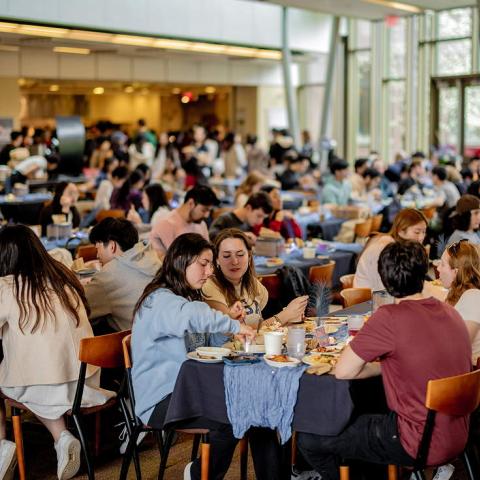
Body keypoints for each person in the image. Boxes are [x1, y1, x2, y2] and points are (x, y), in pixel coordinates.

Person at [297, 241, 472, 480]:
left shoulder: (389, 316)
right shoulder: (450, 312)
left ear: (384, 278)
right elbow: (413, 362)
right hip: (457, 432)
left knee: (311, 438)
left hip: (415, 440)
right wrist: (379, 367)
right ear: (425, 273)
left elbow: (343, 372)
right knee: (367, 410)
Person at [131, 233, 282, 480]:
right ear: (181, 260)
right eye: (203, 263)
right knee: (234, 416)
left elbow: (206, 344)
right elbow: (192, 315)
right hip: (162, 400)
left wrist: (229, 325)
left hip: (194, 388)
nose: (210, 270)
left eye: (211, 264)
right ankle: (202, 473)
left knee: (260, 408)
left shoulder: (187, 297)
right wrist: (233, 327)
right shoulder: (159, 300)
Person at [0, 225, 114, 480]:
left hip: (41, 384)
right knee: (42, 378)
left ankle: (1, 445)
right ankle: (61, 437)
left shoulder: (7, 287)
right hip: (87, 383)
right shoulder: (64, 278)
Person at [203, 228, 308, 329]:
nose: (234, 261)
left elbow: (261, 326)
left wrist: (290, 320)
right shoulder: (210, 287)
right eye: (226, 256)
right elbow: (238, 331)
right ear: (216, 260)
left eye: (240, 255)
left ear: (249, 257)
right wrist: (285, 315)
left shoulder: (252, 283)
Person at [85, 217, 161, 334]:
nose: (97, 255)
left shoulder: (107, 275)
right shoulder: (152, 257)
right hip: (166, 337)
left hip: (135, 347)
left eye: (98, 248)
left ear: (112, 246)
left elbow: (80, 308)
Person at [353, 208, 427, 291]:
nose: (421, 238)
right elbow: (384, 289)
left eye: (424, 232)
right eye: (417, 232)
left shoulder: (402, 249)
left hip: (384, 295)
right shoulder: (386, 249)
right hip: (367, 300)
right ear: (401, 231)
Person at [437, 240, 480, 363]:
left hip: (466, 376)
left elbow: (459, 346)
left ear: (456, 272)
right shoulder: (455, 294)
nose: (438, 268)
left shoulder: (473, 297)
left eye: (443, 264)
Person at [149, 185, 219, 255]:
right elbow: (174, 261)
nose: (207, 215)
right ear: (191, 203)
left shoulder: (201, 224)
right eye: (204, 210)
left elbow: (208, 253)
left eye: (209, 211)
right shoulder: (166, 224)